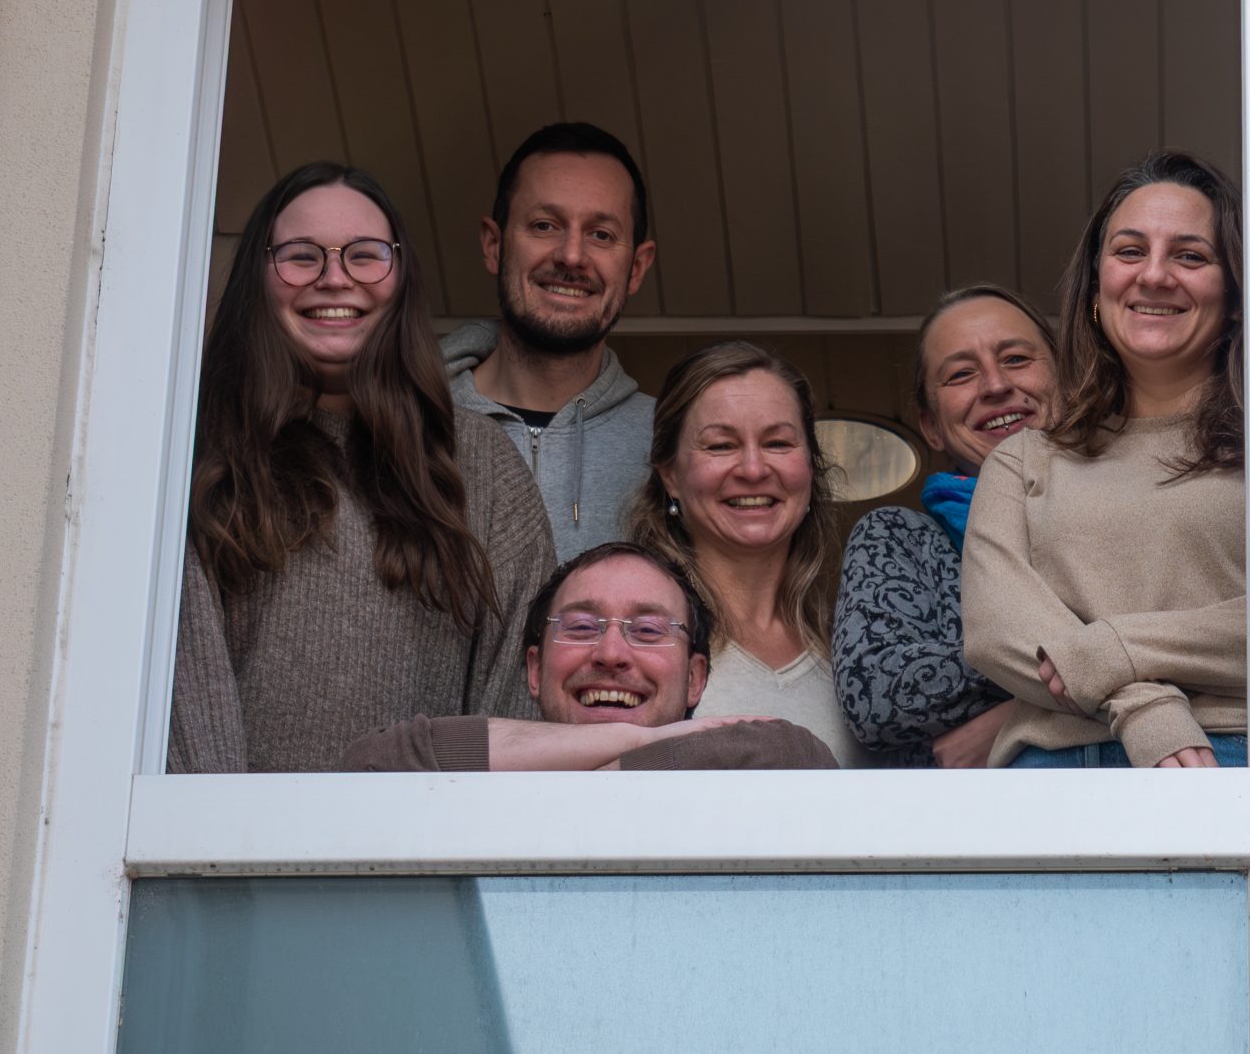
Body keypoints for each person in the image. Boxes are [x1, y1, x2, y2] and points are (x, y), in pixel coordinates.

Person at [962, 151, 1250, 767]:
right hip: (1050, 774)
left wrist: (1121, 648)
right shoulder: (1024, 460)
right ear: (1095, 286)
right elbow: (996, 631)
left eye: (1190, 255)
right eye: (1129, 251)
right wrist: (1143, 707)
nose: (1155, 275)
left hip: (1240, 767)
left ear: (1234, 295)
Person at [168, 162, 557, 773]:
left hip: (431, 857)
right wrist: (223, 856)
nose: (334, 279)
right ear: (257, 278)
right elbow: (181, 694)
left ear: (400, 278)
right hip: (229, 850)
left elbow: (516, 699)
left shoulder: (481, 467)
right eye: (301, 256)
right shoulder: (192, 452)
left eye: (365, 255)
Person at [343, 541, 836, 770]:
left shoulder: (747, 774)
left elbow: (795, 751)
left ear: (695, 678)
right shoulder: (480, 786)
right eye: (581, 627)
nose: (610, 652)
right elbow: (372, 760)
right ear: (535, 670)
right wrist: (628, 738)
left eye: (647, 629)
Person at [833, 285, 1058, 768]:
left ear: (1069, 384)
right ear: (931, 425)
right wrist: (1101, 661)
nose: (996, 385)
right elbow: (875, 694)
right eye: (961, 373)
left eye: (1017, 358)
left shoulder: (1135, 514)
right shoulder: (900, 539)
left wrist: (1015, 719)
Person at [626, 339, 869, 768]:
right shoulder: (634, 642)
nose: (754, 470)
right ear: (670, 476)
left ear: (810, 467)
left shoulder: (852, 649)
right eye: (721, 446)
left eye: (778, 443)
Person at [444, 122, 660, 560]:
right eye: (544, 225)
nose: (572, 256)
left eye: (601, 234)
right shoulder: (404, 424)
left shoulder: (672, 445)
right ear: (493, 244)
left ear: (637, 267)